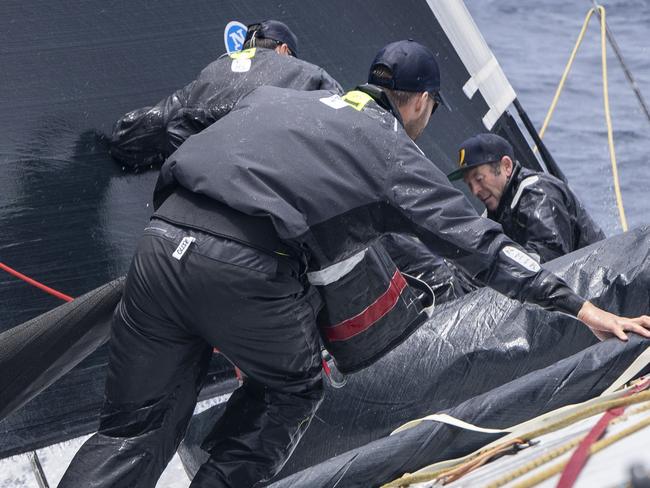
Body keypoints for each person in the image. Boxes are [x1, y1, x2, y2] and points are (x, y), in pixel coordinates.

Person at [60, 40, 650, 488]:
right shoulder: (392, 151)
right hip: (244, 270)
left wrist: (117, 146)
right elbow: (484, 248)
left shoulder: (278, 94)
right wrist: (580, 305)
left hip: (160, 247)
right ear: (420, 102)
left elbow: (178, 118)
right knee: (294, 388)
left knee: (130, 429)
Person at [109, 19, 342, 170]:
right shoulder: (308, 74)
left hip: (202, 190)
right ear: (283, 50)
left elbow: (141, 129)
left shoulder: (213, 71)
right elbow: (346, 128)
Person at [448, 133, 606, 263]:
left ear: (506, 167)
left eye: (479, 179)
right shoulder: (497, 209)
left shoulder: (539, 195)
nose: (475, 190)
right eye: (469, 184)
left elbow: (550, 257)